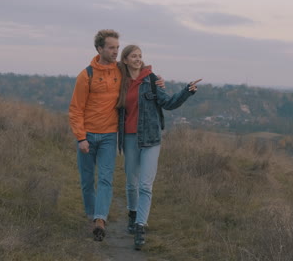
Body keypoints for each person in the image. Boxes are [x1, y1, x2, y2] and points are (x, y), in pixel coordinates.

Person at [68, 30, 164, 242]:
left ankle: (100, 220)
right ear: (100, 49)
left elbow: (139, 72)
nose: (115, 51)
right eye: (111, 48)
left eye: (117, 48)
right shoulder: (86, 75)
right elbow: (75, 109)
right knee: (86, 181)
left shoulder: (120, 71)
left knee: (104, 179)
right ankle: (93, 216)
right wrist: (80, 137)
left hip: (110, 136)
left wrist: (157, 80)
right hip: (87, 136)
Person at [116, 44, 201, 250]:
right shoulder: (118, 81)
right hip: (129, 137)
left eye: (140, 56)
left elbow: (169, 103)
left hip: (152, 138)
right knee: (131, 183)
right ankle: (132, 212)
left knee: (145, 185)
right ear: (125, 60)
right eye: (133, 56)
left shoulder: (153, 80)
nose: (138, 59)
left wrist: (186, 91)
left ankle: (140, 226)